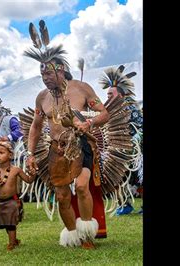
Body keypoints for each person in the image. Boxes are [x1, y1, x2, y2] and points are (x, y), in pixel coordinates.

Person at [23, 20, 110, 249]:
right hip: (56, 150)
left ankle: (87, 237)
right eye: (42, 74)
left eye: (49, 73)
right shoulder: (42, 97)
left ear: (60, 69)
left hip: (81, 145)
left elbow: (104, 113)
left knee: (82, 186)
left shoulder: (81, 89)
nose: (45, 77)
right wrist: (30, 154)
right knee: (62, 195)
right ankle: (72, 235)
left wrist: (89, 122)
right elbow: (35, 126)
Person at [103, 67, 143, 215]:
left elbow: (140, 127)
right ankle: (124, 204)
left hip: (137, 149)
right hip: (119, 148)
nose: (107, 97)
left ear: (120, 94)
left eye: (110, 94)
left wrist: (135, 141)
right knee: (116, 175)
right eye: (106, 94)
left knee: (141, 177)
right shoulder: (109, 110)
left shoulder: (130, 107)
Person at [0, 141, 34, 251]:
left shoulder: (15, 170)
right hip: (0, 202)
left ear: (10, 155)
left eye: (1, 152)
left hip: (13, 201)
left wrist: (32, 174)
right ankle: (14, 240)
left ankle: (11, 244)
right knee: (5, 223)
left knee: (11, 223)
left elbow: (28, 180)